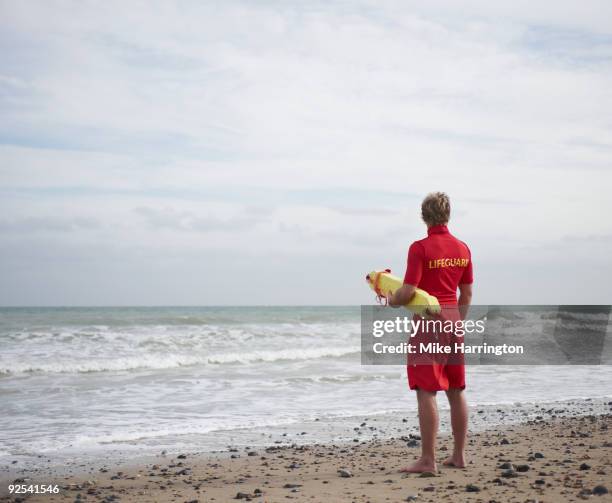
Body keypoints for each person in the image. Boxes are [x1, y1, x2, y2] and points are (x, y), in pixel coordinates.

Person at [388, 192, 473, 473]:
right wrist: (456, 321)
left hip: (429, 321)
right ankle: (459, 456)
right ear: (448, 215)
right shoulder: (463, 248)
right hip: (453, 318)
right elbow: (467, 292)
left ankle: (427, 460)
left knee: (426, 390)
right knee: (456, 388)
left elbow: (409, 291)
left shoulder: (420, 248)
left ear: (424, 216)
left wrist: (391, 298)